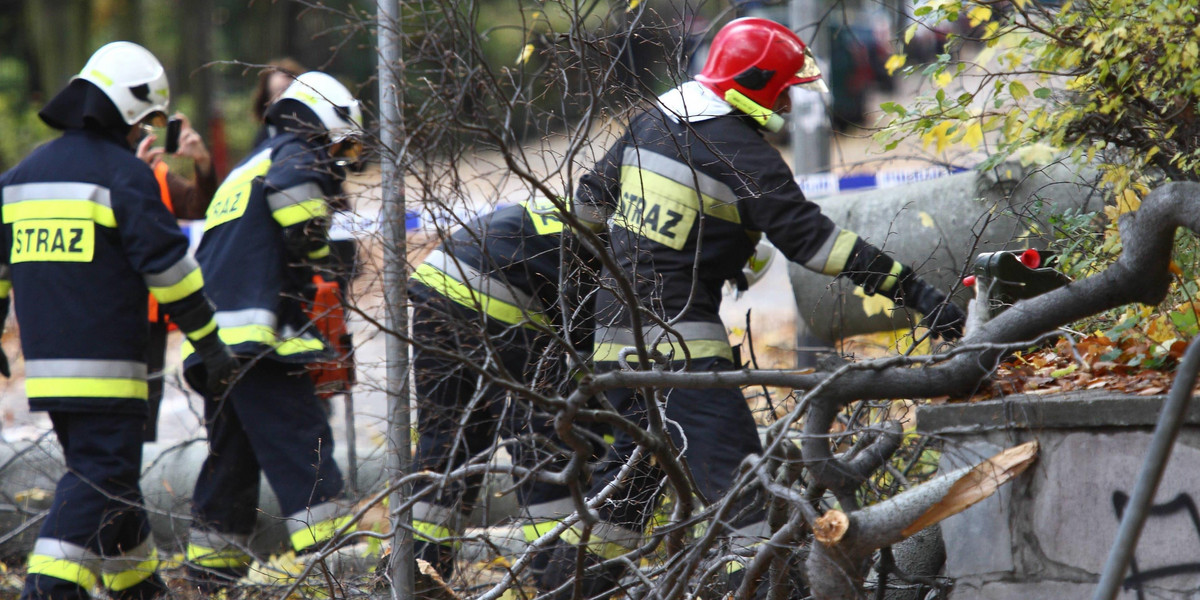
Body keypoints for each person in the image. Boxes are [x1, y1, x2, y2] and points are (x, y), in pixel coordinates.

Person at [540, 17, 966, 595]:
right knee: (742, 497)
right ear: (760, 84)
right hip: (683, 358)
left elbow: (588, 204)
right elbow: (818, 244)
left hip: (618, 346)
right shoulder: (742, 153)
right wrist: (915, 292)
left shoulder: (652, 120)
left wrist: (582, 309)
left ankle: (566, 590)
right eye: (786, 88)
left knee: (626, 492)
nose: (791, 100)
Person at [3, 41, 238, 600]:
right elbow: (172, 274)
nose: (148, 132)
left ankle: (140, 589)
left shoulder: (19, 178)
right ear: (130, 113)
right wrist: (212, 345)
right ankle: (47, 588)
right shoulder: (123, 177)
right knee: (101, 478)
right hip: (109, 373)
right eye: (149, 120)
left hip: (49, 375)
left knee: (115, 486)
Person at [180, 71, 363, 589]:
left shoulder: (250, 164)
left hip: (218, 345)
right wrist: (326, 260)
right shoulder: (299, 153)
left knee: (230, 466)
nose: (345, 156)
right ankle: (342, 570)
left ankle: (209, 577)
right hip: (258, 342)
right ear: (329, 118)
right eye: (345, 141)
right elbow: (298, 207)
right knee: (302, 444)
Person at [407, 196, 604, 579]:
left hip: (437, 281)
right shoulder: (641, 249)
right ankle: (557, 573)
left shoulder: (591, 206)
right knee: (544, 444)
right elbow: (592, 352)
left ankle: (416, 565)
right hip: (500, 294)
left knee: (446, 437)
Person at [135, 112, 218, 442]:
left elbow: (200, 205)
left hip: (149, 318)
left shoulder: (157, 174)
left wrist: (203, 162)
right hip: (104, 311)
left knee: (145, 419)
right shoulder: (88, 170)